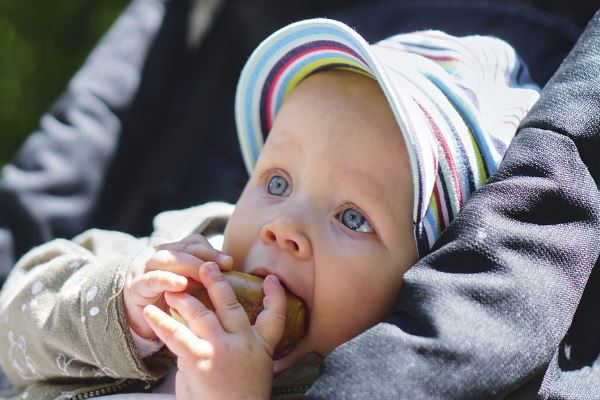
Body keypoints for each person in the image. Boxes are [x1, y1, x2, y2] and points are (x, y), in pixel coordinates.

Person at [0, 19, 540, 399]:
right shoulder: (183, 246)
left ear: (417, 279)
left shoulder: (365, 379)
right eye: (277, 181)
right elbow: (12, 330)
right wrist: (116, 312)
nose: (284, 228)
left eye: (353, 217)